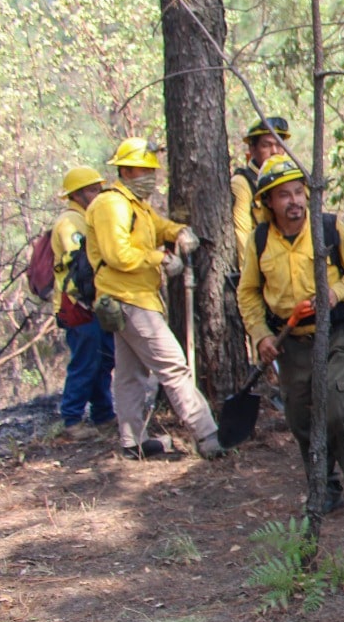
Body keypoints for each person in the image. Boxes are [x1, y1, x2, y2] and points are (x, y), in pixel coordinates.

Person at [239, 157, 344, 516]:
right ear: (268, 202)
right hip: (290, 343)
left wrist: (334, 293)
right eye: (284, 195)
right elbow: (249, 293)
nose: (294, 201)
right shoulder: (259, 241)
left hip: (334, 334)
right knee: (301, 418)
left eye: (299, 192)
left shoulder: (329, 228)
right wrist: (260, 335)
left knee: (339, 408)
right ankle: (324, 487)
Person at [86, 138, 220, 460]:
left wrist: (178, 232)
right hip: (128, 299)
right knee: (173, 366)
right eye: (144, 170)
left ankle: (132, 442)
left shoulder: (137, 205)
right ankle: (209, 436)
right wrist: (158, 259)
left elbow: (159, 226)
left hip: (136, 298)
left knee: (130, 374)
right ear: (126, 169)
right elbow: (117, 254)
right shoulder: (112, 204)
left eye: (152, 171)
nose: (151, 177)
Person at [52, 166, 115, 438]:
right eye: (91, 189)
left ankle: (103, 415)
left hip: (93, 302)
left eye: (98, 188)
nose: (96, 193)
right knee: (85, 362)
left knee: (103, 359)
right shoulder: (70, 223)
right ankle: (72, 420)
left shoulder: (86, 218)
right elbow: (78, 261)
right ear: (76, 194)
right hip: (77, 305)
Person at [232, 117, 291, 260]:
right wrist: (249, 277)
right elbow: (243, 235)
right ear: (252, 148)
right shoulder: (242, 183)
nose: (275, 151)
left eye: (279, 144)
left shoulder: (292, 179)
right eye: (267, 145)